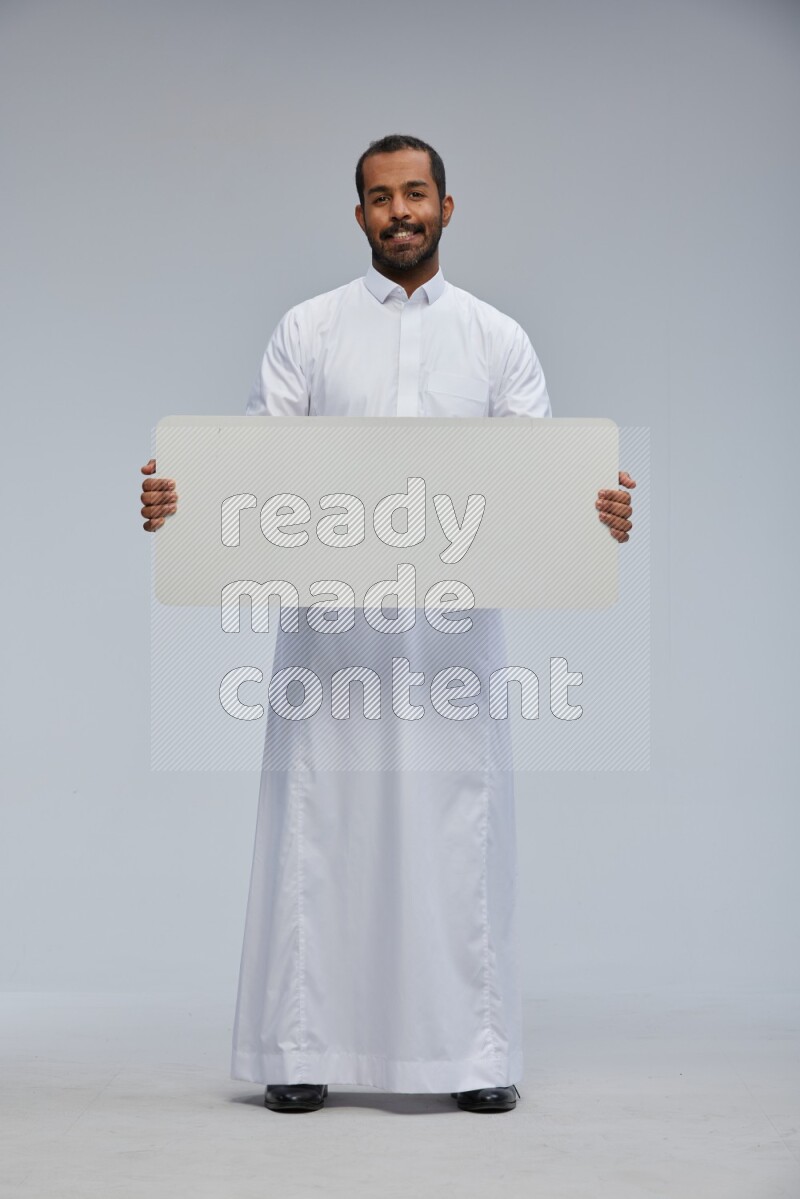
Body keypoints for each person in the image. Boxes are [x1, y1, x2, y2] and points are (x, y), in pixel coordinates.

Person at [141, 134, 635, 1114]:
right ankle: (300, 1044)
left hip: (451, 648)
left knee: (461, 836)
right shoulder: (309, 330)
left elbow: (541, 486)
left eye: (415, 194)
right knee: (316, 835)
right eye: (378, 196)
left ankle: (475, 1053)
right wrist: (181, 503)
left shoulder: (496, 339)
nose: (398, 210)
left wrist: (598, 512)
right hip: (330, 643)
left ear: (447, 207)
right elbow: (253, 468)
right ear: (358, 213)